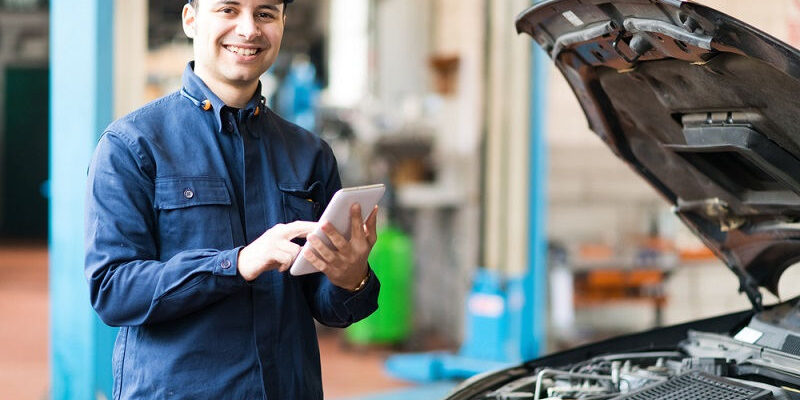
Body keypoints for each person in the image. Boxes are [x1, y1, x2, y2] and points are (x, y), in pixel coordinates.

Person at [84, 0, 380, 398]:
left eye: (265, 13)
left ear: (281, 23)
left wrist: (351, 277)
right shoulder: (132, 146)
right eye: (228, 9)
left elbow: (327, 307)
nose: (249, 29)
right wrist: (235, 264)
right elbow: (113, 290)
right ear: (191, 20)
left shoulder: (310, 155)